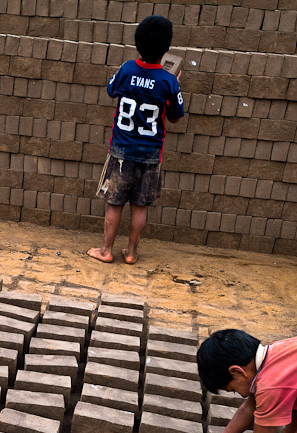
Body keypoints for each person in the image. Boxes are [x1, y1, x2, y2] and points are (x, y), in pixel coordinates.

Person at [88, 15, 184, 265]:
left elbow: (111, 89)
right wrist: (174, 85)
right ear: (165, 50)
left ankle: (106, 250)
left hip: (121, 151)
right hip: (150, 155)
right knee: (140, 206)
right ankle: (131, 253)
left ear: (138, 44)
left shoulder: (127, 69)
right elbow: (174, 117)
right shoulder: (169, 81)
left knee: (114, 203)